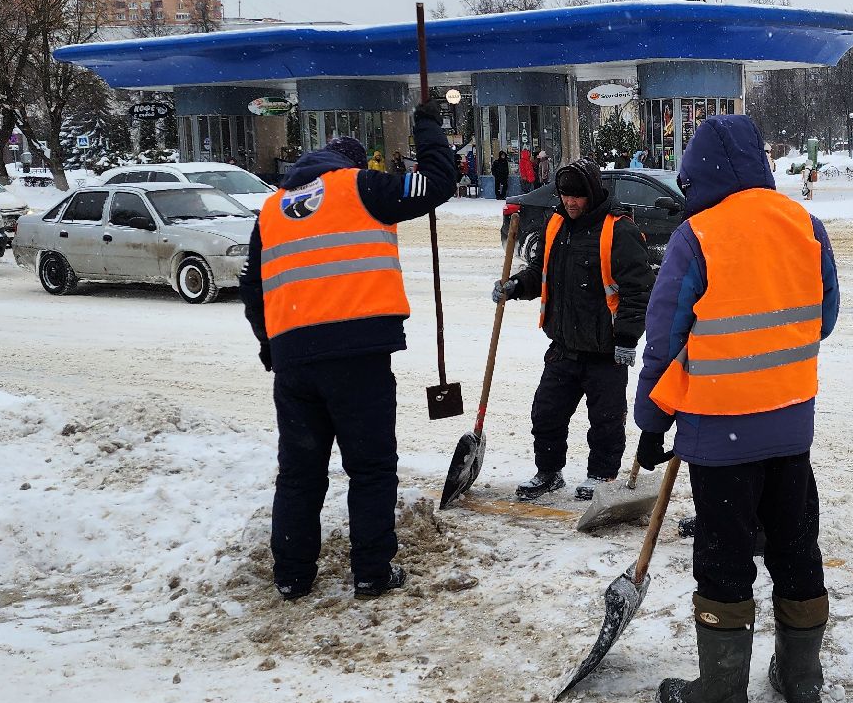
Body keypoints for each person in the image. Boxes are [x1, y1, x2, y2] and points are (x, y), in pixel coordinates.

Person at [633, 115, 840, 703]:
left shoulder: (696, 236)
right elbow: (825, 315)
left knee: (724, 561)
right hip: (790, 427)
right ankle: (802, 680)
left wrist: (652, 420)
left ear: (697, 175)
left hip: (719, 435)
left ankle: (722, 695)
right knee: (796, 548)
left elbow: (664, 339)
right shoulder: (806, 225)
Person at [238, 104, 457, 601]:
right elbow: (436, 183)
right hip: (357, 355)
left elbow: (253, 288)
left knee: (299, 473)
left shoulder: (272, 210)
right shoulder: (362, 187)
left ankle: (292, 575)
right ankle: (371, 573)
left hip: (294, 362)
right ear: (352, 165)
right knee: (371, 468)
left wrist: (271, 346)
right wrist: (428, 127)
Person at [493, 160, 654, 501]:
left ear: (592, 194)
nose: (570, 202)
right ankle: (549, 472)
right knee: (546, 414)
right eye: (565, 195)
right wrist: (515, 285)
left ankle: (601, 477)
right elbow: (540, 272)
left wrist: (627, 338)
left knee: (606, 421)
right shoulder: (557, 225)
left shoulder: (618, 230)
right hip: (563, 346)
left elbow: (638, 290)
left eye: (577, 196)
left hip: (606, 351)